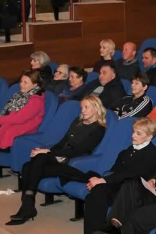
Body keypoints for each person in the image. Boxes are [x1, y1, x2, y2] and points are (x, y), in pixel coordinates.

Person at [8, 96, 108, 226]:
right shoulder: (77, 121)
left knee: (35, 162)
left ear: (96, 108)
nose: (83, 110)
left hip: (74, 162)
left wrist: (47, 152)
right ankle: (27, 206)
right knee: (28, 166)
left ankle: (27, 206)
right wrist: (47, 151)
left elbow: (78, 151)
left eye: (86, 107)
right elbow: (62, 143)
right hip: (60, 157)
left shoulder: (98, 129)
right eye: (82, 107)